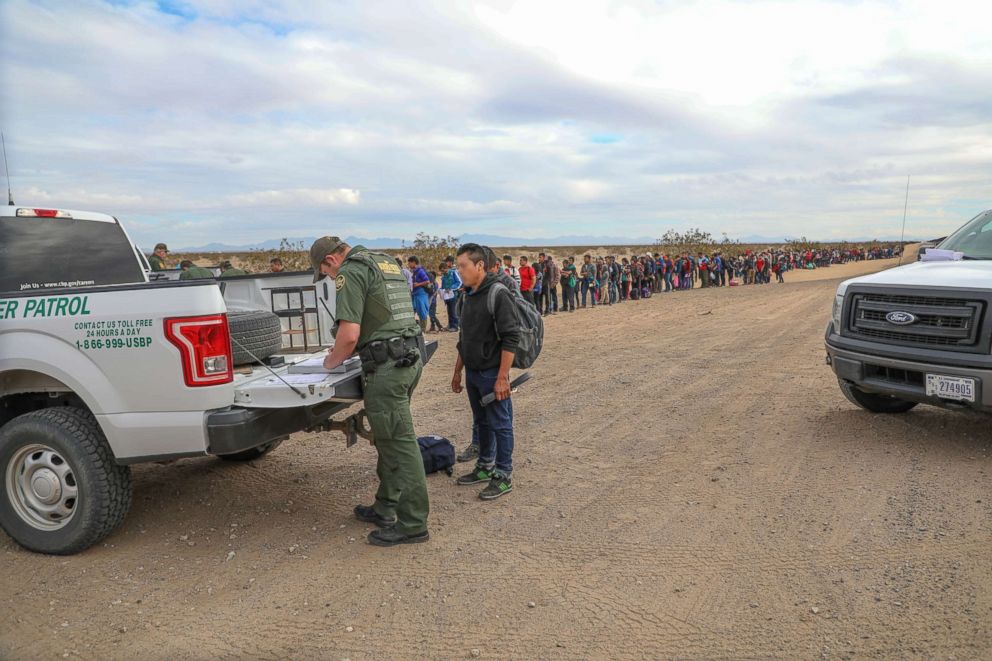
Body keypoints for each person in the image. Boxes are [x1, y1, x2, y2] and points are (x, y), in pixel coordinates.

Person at [309, 236, 429, 546]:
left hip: (387, 368)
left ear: (330, 261)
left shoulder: (351, 272)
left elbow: (349, 336)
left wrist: (329, 362)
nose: (330, 278)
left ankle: (413, 523)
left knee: (398, 442)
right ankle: (385, 506)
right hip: (409, 358)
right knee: (388, 438)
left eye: (325, 273)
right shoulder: (384, 261)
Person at [451, 243, 521, 501]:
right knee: (482, 422)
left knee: (500, 424)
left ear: (479, 265)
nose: (460, 271)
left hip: (493, 373)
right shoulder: (467, 296)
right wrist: (458, 371)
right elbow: (464, 337)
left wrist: (502, 377)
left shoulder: (498, 294)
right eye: (458, 266)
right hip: (473, 373)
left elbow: (510, 338)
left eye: (463, 266)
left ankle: (503, 475)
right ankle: (485, 466)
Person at [407, 256, 432, 333]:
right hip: (415, 294)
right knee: (413, 310)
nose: (408, 264)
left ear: (414, 262)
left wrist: (417, 285)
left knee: (422, 312)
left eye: (409, 262)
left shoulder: (420, 271)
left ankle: (423, 330)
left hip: (421, 294)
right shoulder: (414, 271)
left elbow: (427, 281)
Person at [439, 260, 462, 331]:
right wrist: (441, 290)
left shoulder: (453, 272)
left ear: (446, 268)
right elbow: (443, 285)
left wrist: (451, 288)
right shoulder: (443, 276)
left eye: (444, 270)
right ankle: (450, 325)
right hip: (446, 296)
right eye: (441, 271)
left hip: (453, 295)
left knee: (453, 311)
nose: (443, 272)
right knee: (449, 311)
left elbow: (459, 282)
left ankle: (455, 326)